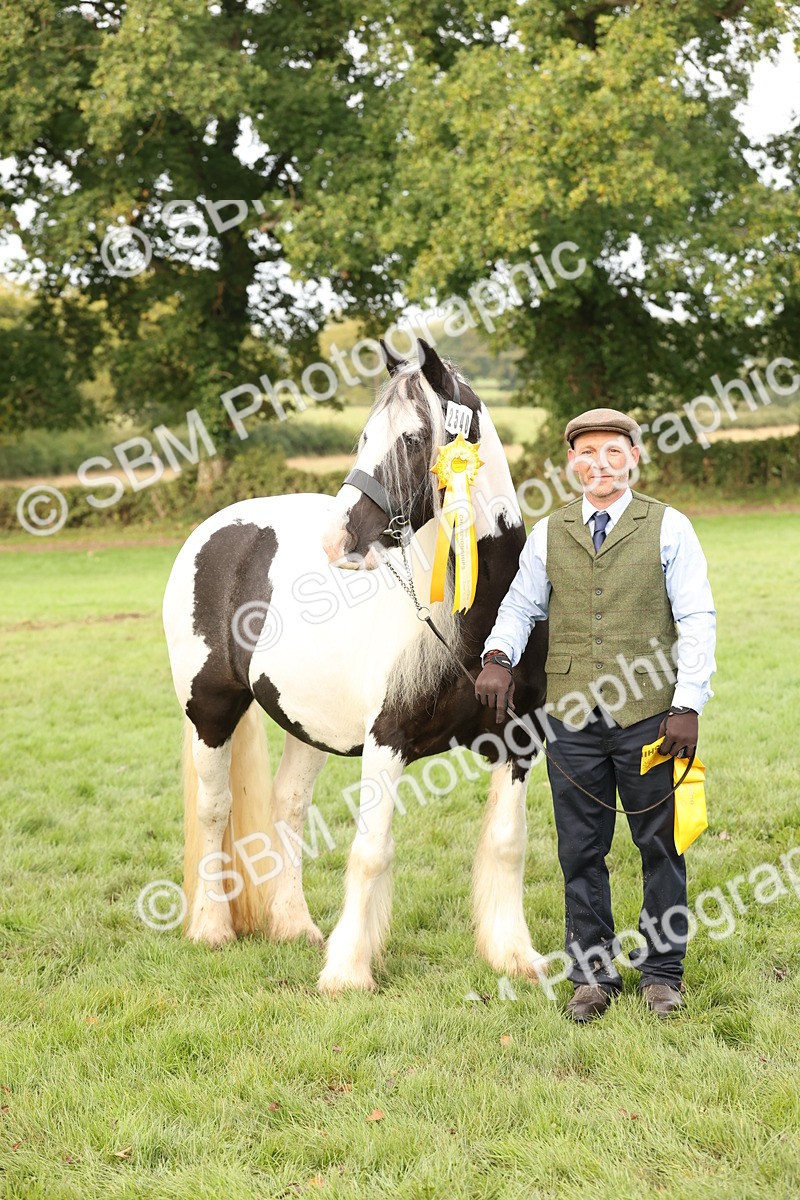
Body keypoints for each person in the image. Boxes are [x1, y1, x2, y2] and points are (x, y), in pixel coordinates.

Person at [475, 407, 716, 1022]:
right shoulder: (548, 533)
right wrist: (498, 656)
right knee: (580, 850)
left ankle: (662, 973)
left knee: (660, 845)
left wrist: (688, 703)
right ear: (571, 462)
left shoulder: (670, 527)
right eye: (587, 452)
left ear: (633, 457)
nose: (600, 463)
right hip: (572, 718)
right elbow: (521, 606)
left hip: (652, 717)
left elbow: (696, 618)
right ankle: (591, 975)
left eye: (613, 451)